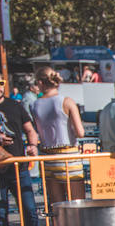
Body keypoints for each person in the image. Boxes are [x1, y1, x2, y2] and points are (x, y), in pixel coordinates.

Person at [0, 71, 40, 226]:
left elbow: (29, 129)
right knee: (1, 213)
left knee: (30, 210)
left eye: (1, 81)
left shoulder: (15, 105)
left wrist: (33, 145)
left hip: (18, 167)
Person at [30, 67, 86, 205]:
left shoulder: (34, 105)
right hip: (69, 155)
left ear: (40, 82)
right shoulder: (66, 101)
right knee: (77, 202)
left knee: (57, 204)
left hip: (47, 156)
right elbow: (80, 132)